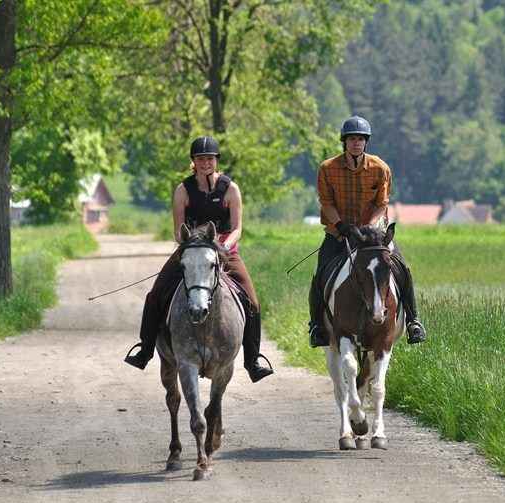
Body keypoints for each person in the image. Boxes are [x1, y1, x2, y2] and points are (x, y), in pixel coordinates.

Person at [124, 136, 274, 382]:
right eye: (201, 159)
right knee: (155, 295)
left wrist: (224, 246)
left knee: (252, 302)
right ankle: (145, 349)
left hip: (225, 249)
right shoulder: (183, 190)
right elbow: (178, 230)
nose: (205, 163)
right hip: (191, 249)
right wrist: (190, 245)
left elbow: (237, 228)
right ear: (193, 162)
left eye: (210, 158)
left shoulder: (231, 189)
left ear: (216, 161)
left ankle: (253, 360)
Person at [307, 115, 427, 347]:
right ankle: (317, 326)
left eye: (360, 139)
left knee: (403, 268)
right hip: (339, 233)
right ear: (344, 142)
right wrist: (341, 225)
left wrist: (368, 228)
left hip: (373, 236)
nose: (356, 143)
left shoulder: (380, 169)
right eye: (352, 139)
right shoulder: (327, 169)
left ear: (366, 142)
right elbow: (326, 203)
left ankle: (413, 321)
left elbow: (382, 204)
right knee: (320, 274)